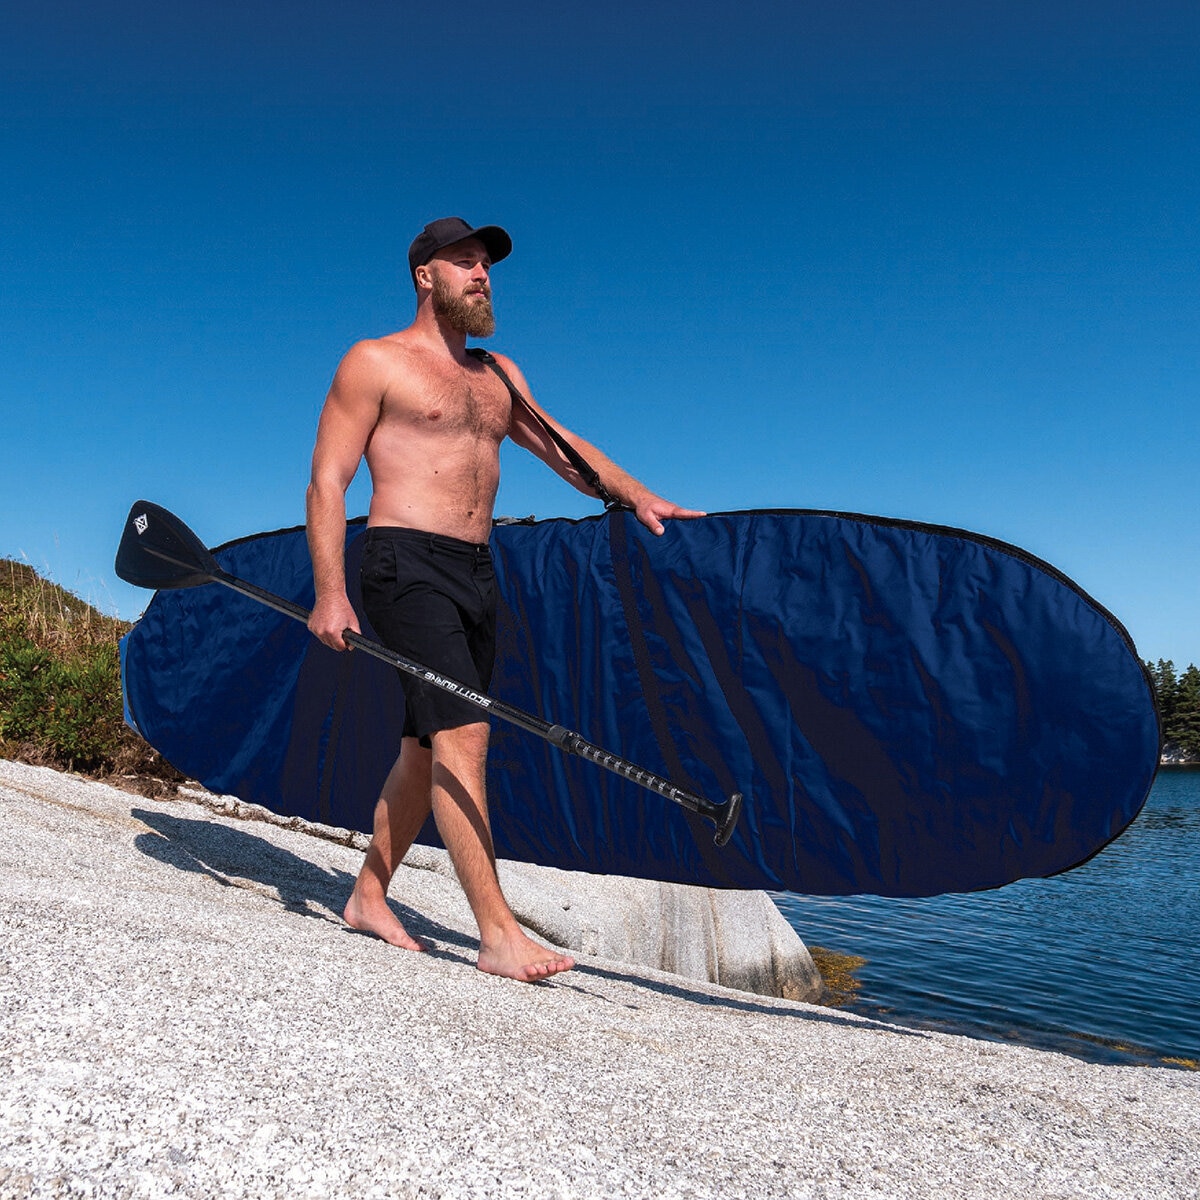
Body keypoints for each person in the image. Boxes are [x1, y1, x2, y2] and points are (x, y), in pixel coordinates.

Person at [306, 216, 704, 981]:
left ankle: (367, 895)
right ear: (426, 276)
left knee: (424, 751)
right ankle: (498, 933)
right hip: (404, 563)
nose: (482, 274)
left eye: (486, 264)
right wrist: (330, 591)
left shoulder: (497, 377)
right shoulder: (375, 361)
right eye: (465, 262)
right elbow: (329, 480)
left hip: (478, 573)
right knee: (466, 734)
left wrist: (641, 496)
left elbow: (564, 450)